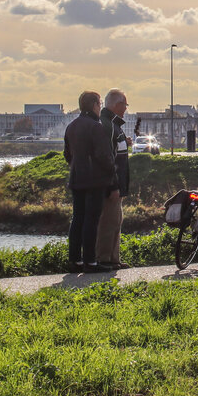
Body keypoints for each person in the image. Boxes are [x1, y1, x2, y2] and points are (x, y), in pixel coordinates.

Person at [63, 90, 116, 272]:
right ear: (94, 105)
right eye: (99, 104)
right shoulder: (96, 127)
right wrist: (111, 171)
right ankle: (90, 261)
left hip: (77, 177)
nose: (100, 107)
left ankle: (75, 260)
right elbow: (104, 155)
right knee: (91, 220)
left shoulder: (72, 126)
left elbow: (67, 154)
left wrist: (77, 166)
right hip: (95, 180)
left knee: (77, 218)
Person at [96, 88, 132, 269]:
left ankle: (113, 258)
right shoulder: (108, 126)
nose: (126, 108)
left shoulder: (113, 125)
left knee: (116, 220)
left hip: (117, 183)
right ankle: (104, 258)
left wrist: (125, 141)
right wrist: (113, 186)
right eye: (125, 105)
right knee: (108, 222)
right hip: (112, 185)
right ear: (117, 105)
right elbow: (108, 159)